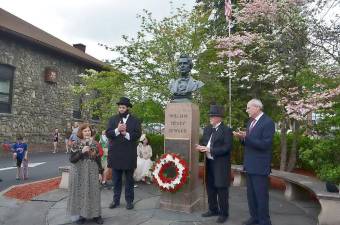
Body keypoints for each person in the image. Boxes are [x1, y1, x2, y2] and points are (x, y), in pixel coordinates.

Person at [233, 99, 275, 225]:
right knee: (251, 195)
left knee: (261, 195)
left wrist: (247, 137)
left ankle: (264, 221)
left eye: (248, 108)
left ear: (257, 107)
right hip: (249, 164)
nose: (247, 110)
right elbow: (249, 143)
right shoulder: (250, 121)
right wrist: (242, 138)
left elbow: (265, 145)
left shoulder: (268, 122)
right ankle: (254, 218)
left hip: (260, 166)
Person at [195, 104, 233, 224]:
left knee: (221, 189)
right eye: (210, 116)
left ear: (219, 118)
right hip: (209, 163)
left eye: (212, 116)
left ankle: (223, 213)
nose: (210, 118)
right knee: (210, 187)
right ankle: (213, 209)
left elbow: (227, 148)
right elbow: (204, 143)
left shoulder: (226, 130)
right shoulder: (207, 129)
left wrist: (210, 149)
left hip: (220, 164)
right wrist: (201, 147)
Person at [106, 97, 141, 210]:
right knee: (116, 181)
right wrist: (117, 130)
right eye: (119, 107)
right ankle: (115, 201)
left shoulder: (135, 120)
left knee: (129, 181)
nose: (121, 109)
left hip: (129, 155)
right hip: (116, 155)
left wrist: (126, 133)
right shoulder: (112, 119)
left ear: (127, 108)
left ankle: (129, 201)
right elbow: (108, 133)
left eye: (123, 107)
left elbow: (137, 135)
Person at [67, 123, 104, 224]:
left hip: (92, 170)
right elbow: (72, 159)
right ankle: (82, 215)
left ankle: (96, 215)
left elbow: (98, 159)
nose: (87, 132)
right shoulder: (76, 143)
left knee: (94, 192)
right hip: (79, 171)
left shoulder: (95, 143)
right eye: (85, 131)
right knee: (81, 193)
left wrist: (100, 172)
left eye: (89, 130)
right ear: (81, 132)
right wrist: (81, 152)